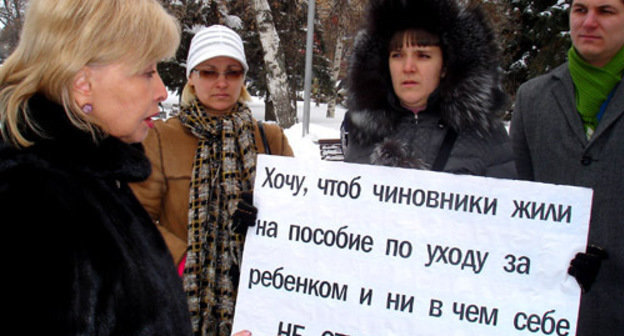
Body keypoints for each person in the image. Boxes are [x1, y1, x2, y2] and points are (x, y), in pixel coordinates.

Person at [0, 0, 192, 335]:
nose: (162, 91)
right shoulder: (31, 206)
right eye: (147, 72)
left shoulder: (94, 179)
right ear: (83, 83)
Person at [130, 25, 293, 336]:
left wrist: (268, 215)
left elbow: (300, 218)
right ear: (191, 76)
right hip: (183, 296)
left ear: (243, 78)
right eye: (208, 72)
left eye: (232, 72)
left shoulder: (270, 138)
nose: (221, 82)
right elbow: (135, 219)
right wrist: (183, 261)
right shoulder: (161, 137)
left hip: (258, 295)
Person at [510, 0, 624, 333]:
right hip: (549, 311)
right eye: (580, 10)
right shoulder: (532, 98)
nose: (589, 22)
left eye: (605, 11)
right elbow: (519, 204)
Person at [341, 0, 516, 178]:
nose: (408, 67)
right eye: (397, 55)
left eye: (423, 55)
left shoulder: (484, 135)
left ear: (445, 66)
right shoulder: (366, 131)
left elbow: (505, 201)